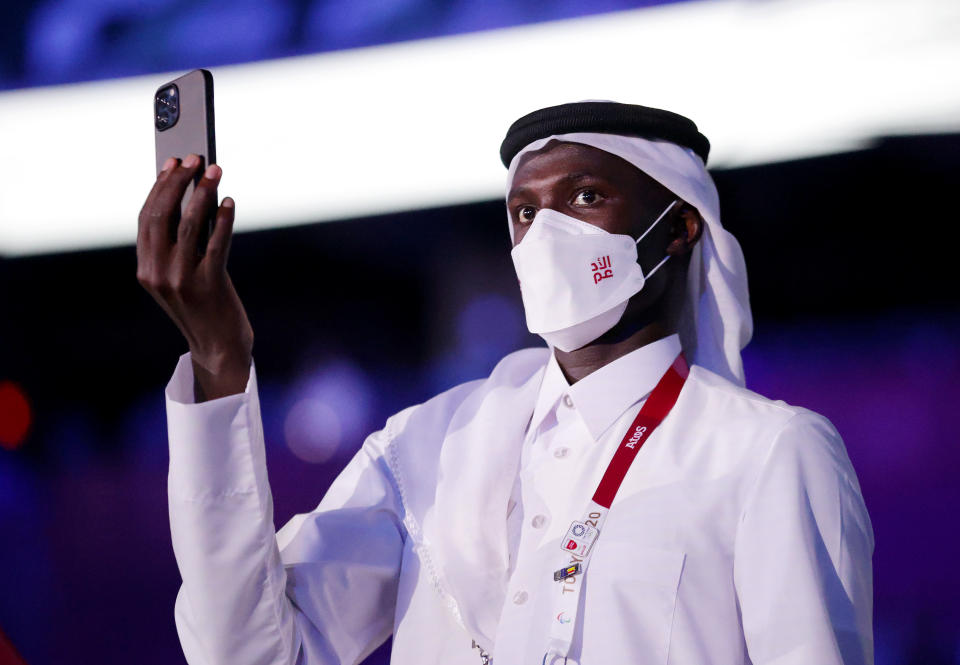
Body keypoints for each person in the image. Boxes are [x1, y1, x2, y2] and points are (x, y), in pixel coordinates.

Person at [137, 101, 874, 665]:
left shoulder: (763, 451)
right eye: (526, 211)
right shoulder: (428, 446)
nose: (547, 232)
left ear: (679, 229)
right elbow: (247, 653)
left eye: (586, 198)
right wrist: (218, 361)